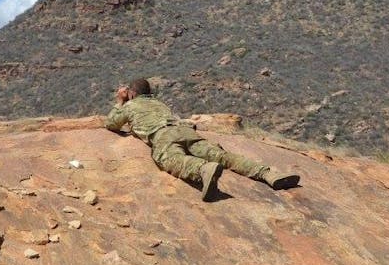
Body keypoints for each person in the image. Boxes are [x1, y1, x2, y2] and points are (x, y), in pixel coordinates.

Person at [105, 78, 300, 200]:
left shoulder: (130, 106)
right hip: (185, 131)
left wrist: (120, 101)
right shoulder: (159, 103)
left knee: (171, 159)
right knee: (222, 155)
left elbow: (112, 124)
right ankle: (268, 174)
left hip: (163, 135)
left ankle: (203, 170)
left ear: (132, 93)